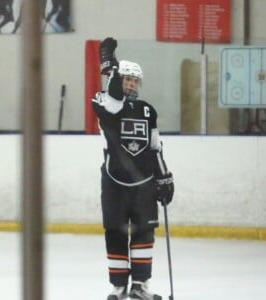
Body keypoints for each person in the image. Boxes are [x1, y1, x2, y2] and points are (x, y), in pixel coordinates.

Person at [92, 38, 174, 300]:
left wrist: (164, 177)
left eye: (134, 80)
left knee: (144, 233)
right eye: (126, 78)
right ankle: (118, 287)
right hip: (114, 183)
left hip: (144, 185)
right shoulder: (103, 102)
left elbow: (154, 147)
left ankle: (140, 286)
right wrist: (111, 66)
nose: (131, 84)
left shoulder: (148, 110)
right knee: (115, 233)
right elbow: (114, 105)